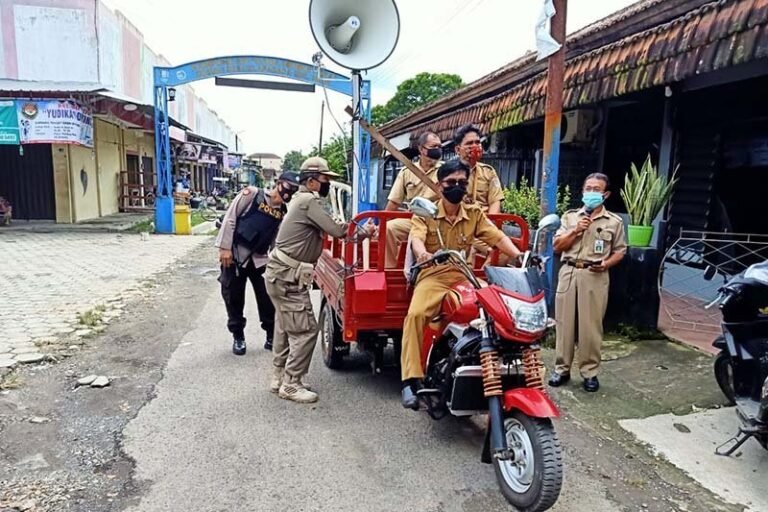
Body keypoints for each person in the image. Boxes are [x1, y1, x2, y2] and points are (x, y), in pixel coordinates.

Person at [400, 159, 523, 409]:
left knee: (495, 308)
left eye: (461, 182)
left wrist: (521, 257)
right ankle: (409, 380)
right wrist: (422, 254)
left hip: (462, 273)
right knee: (415, 315)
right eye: (450, 182)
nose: (456, 187)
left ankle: (492, 366)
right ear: (439, 185)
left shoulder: (475, 214)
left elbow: (498, 237)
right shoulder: (426, 212)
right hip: (433, 275)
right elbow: (417, 238)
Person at [265, 156, 376, 404]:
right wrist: (364, 232)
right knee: (305, 330)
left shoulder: (299, 199)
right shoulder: (308, 201)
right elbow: (338, 231)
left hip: (281, 273)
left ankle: (279, 376)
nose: (327, 184)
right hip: (288, 276)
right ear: (312, 181)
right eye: (325, 179)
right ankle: (291, 384)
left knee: (285, 326)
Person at [548, 173, 627, 392]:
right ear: (582, 191)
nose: (591, 193)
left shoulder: (614, 222)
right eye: (588, 188)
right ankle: (561, 369)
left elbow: (621, 251)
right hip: (569, 271)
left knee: (590, 327)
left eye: (596, 189)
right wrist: (576, 230)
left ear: (605, 194)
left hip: (595, 275)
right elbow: (557, 246)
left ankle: (589, 373)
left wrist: (607, 263)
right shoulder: (570, 217)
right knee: (564, 324)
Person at [215, 171, 300, 355]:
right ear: (278, 183)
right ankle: (238, 336)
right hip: (236, 255)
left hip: (260, 259)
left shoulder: (283, 212)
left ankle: (271, 336)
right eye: (287, 186)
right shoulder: (252, 194)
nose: (289, 191)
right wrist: (225, 248)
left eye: (293, 189)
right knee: (233, 297)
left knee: (267, 298)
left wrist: (279, 262)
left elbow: (276, 241)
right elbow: (231, 218)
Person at [384, 131, 443, 268]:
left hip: (438, 221)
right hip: (413, 219)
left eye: (439, 146)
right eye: (433, 146)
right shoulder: (407, 171)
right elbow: (394, 202)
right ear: (422, 149)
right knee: (389, 228)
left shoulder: (445, 170)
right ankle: (389, 268)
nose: (437, 150)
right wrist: (381, 224)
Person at [453, 124, 504, 214]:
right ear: (457, 149)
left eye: (477, 142)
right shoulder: (448, 173)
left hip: (483, 222)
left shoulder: (488, 172)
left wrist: (489, 225)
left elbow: (495, 202)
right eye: (469, 143)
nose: (475, 146)